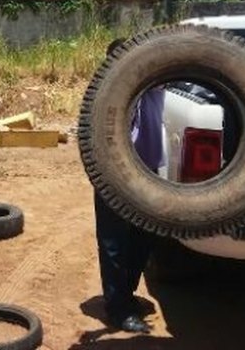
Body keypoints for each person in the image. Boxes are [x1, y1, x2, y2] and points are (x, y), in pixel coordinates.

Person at [94, 37, 165, 334]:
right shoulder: (104, 94)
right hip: (115, 175)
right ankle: (118, 308)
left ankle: (127, 294)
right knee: (114, 243)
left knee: (143, 237)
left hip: (147, 173)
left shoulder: (155, 83)